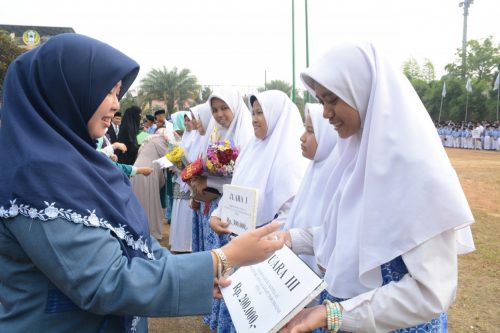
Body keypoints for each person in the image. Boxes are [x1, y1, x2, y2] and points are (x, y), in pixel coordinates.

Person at [0, 33, 285, 333]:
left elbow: (136, 245)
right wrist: (223, 258)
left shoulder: (82, 165)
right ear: (65, 91)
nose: (114, 105)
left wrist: (200, 272)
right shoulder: (37, 175)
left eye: (117, 93)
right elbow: (105, 281)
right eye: (106, 92)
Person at [279, 42, 475, 333]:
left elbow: (432, 292)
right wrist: (288, 239)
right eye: (321, 101)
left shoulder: (418, 174)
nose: (326, 114)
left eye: (333, 100)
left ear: (363, 92)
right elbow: (349, 236)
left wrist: (333, 315)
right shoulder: (355, 163)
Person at [209, 90, 309, 332]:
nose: (254, 119)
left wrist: (261, 236)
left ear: (277, 116)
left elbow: (292, 213)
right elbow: (235, 191)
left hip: (267, 253)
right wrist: (216, 215)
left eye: (261, 113)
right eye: (253, 112)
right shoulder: (252, 150)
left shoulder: (290, 158)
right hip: (241, 247)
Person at [283, 103, 337, 271]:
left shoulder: (337, 177)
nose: (302, 137)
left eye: (311, 131)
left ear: (329, 135)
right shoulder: (314, 169)